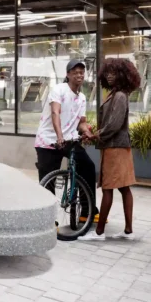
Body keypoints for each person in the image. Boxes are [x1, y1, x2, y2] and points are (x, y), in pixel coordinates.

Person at [86, 58, 142, 240]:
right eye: (107, 72)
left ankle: (99, 232)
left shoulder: (119, 96)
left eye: (114, 72)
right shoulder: (116, 94)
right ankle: (128, 231)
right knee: (124, 188)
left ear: (123, 75)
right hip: (117, 147)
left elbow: (114, 124)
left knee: (108, 189)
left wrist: (97, 134)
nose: (110, 76)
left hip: (114, 147)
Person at [34, 60, 97, 220]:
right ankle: (48, 219)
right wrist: (59, 136)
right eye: (75, 72)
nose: (79, 75)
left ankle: (86, 211)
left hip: (69, 141)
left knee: (88, 168)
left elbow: (81, 122)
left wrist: (88, 133)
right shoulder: (59, 90)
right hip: (48, 141)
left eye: (82, 72)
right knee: (49, 181)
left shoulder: (82, 97)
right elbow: (56, 112)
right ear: (68, 75)